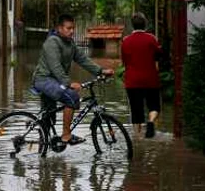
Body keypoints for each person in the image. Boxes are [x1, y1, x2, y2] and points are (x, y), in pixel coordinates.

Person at [32, 14, 114, 144]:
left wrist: (100, 71)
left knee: (48, 117)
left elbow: (82, 59)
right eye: (68, 28)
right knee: (72, 97)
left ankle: (44, 148)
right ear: (59, 28)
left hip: (55, 82)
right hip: (44, 79)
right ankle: (66, 135)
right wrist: (69, 83)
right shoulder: (52, 42)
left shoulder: (70, 44)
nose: (72, 31)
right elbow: (55, 67)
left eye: (73, 28)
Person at [121, 13, 162, 138]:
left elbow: (124, 62)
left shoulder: (126, 41)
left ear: (132, 25)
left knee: (136, 110)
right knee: (154, 106)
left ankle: (137, 138)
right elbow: (158, 57)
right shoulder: (152, 39)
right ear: (145, 24)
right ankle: (150, 121)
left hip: (132, 81)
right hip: (150, 79)